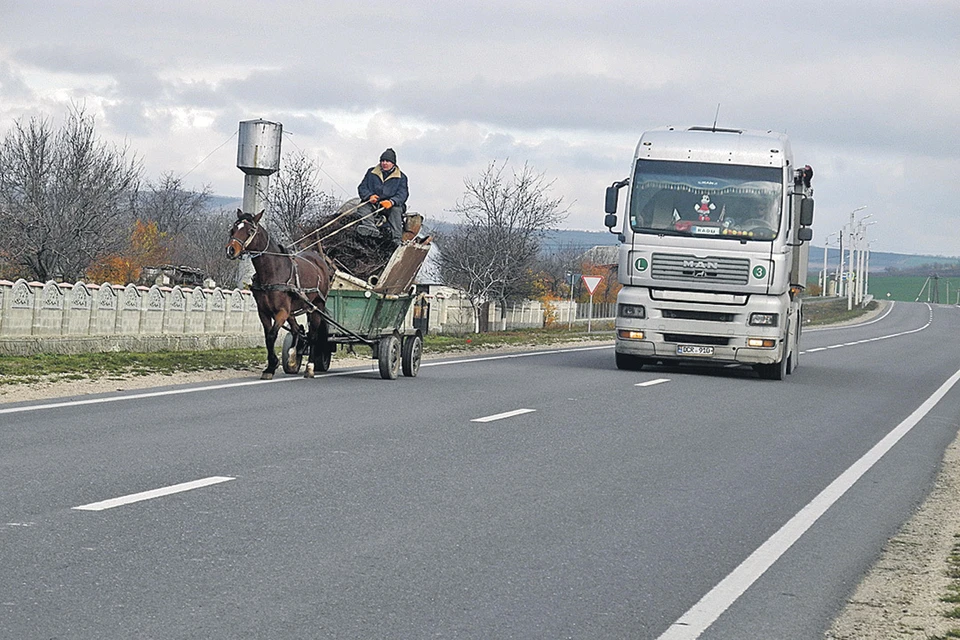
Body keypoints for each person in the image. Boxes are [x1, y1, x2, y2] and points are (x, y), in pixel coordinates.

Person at [356, 148, 409, 246]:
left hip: (391, 206)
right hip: (374, 203)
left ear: (393, 163)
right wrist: (369, 196)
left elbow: (403, 194)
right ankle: (370, 227)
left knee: (396, 211)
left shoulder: (401, 177)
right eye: (382, 161)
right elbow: (362, 187)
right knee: (362, 206)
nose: (384, 163)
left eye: (387, 161)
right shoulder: (371, 172)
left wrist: (392, 201)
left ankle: (396, 239)